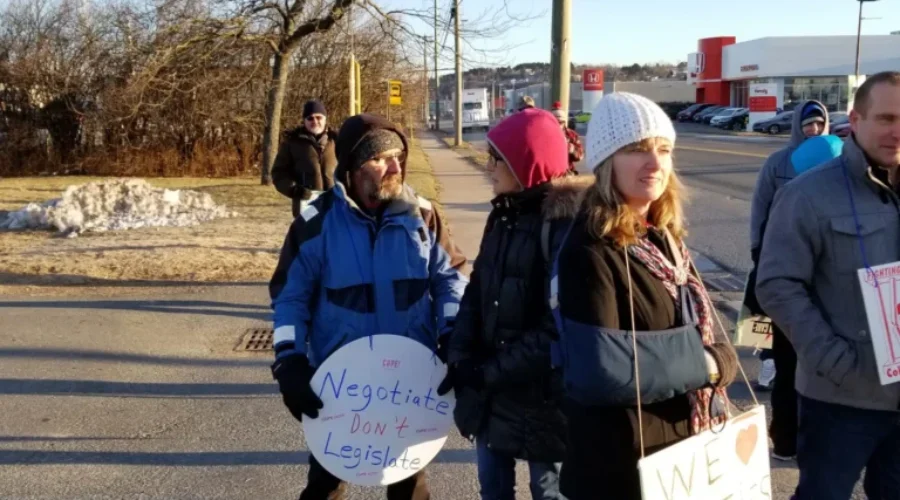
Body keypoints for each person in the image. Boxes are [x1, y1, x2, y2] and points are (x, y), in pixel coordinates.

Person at [269, 113, 469, 500]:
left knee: (410, 487)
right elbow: (290, 298)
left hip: (410, 384)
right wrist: (288, 361)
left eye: (398, 157)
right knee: (326, 487)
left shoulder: (423, 216)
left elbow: (450, 280)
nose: (394, 167)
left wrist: (452, 335)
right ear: (353, 167)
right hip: (340, 386)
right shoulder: (315, 224)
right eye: (379, 159)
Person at [550, 93, 739, 500]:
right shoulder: (590, 248)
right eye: (637, 149)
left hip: (677, 452)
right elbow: (600, 370)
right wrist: (708, 363)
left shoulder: (663, 237)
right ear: (606, 163)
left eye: (664, 149)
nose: (655, 162)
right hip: (619, 466)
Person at [756, 71, 900, 500]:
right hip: (840, 400)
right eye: (886, 118)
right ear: (855, 120)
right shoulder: (808, 195)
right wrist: (833, 358)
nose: (897, 132)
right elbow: (777, 283)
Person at [438, 108, 586, 500]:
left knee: (549, 489)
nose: (488, 167)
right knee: (493, 488)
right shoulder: (502, 215)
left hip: (544, 398)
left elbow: (557, 328)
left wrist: (487, 372)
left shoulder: (564, 226)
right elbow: (477, 289)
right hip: (492, 393)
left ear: (525, 162)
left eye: (496, 158)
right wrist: (459, 354)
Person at [745, 99, 829, 460]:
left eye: (819, 124)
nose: (813, 129)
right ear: (797, 125)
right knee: (781, 352)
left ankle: (815, 439)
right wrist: (757, 249)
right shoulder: (778, 163)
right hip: (778, 264)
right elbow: (759, 207)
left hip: (821, 275)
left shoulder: (835, 160)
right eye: (807, 124)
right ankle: (785, 437)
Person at [272, 100, 338, 217]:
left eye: (319, 117)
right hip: (307, 208)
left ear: (325, 119)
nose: (315, 121)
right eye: (310, 118)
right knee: (309, 235)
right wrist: (294, 190)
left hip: (335, 205)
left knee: (334, 235)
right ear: (304, 121)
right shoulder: (292, 143)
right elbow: (279, 173)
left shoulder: (337, 141)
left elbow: (349, 172)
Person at [551, 101, 584, 174]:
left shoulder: (571, 135)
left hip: (568, 171)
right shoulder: (545, 134)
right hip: (551, 172)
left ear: (564, 121)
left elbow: (580, 155)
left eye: (560, 122)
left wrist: (571, 149)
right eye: (555, 122)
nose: (559, 125)